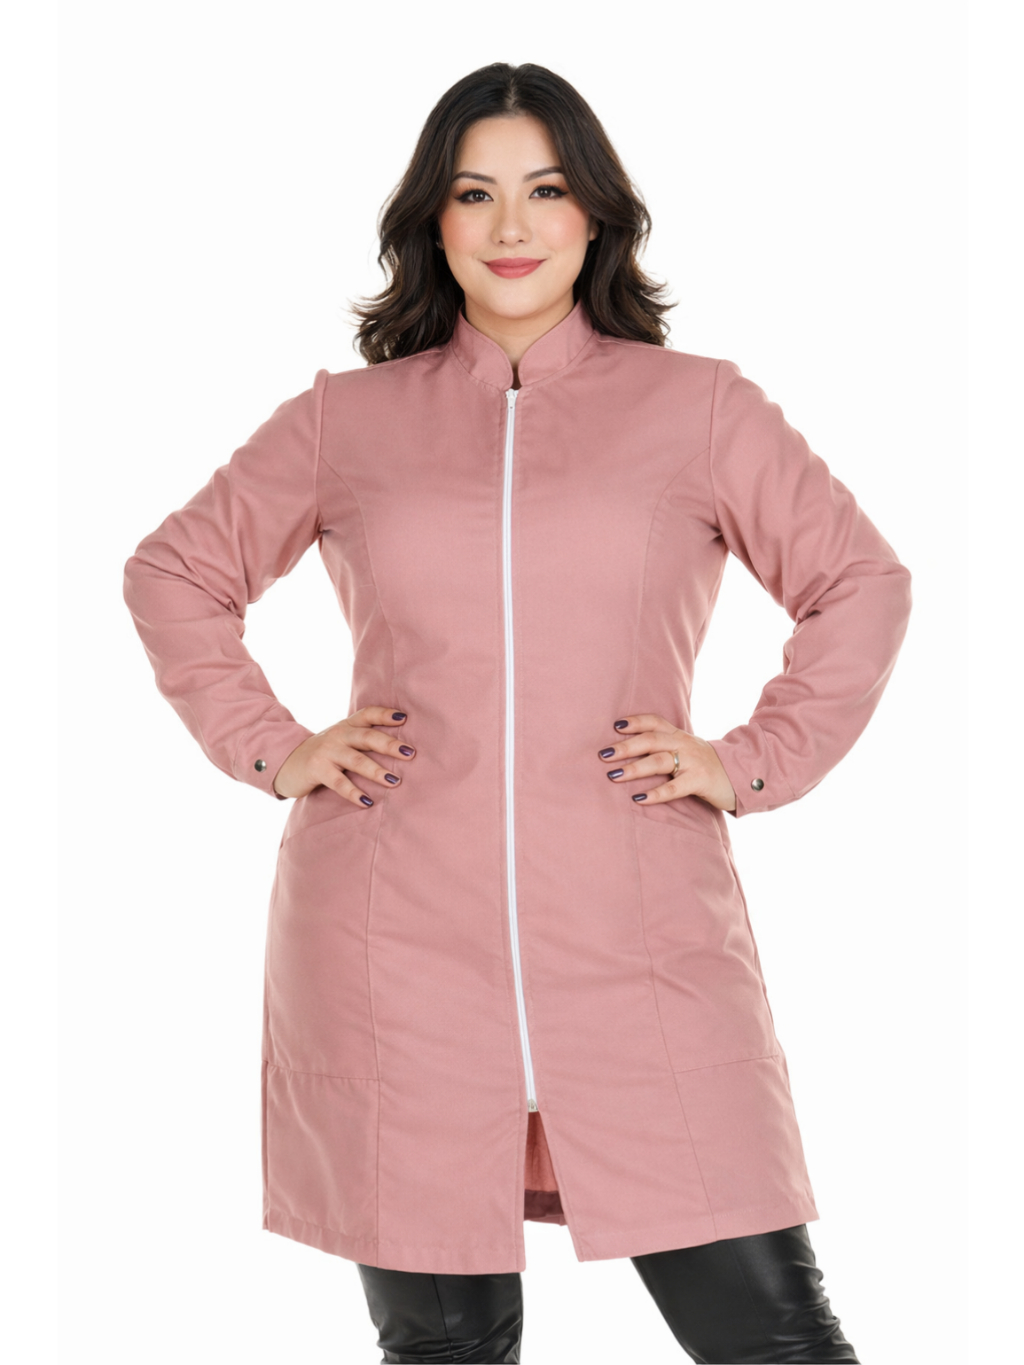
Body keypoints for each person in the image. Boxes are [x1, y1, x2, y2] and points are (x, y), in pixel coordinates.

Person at [123, 62, 912, 1363]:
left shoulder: (701, 407)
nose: (509, 226)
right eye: (473, 193)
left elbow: (860, 583)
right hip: (393, 940)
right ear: (431, 220)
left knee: (776, 1339)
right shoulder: (343, 421)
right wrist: (277, 746)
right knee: (444, 1350)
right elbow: (174, 573)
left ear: (594, 214)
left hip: (640, 931)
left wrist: (752, 759)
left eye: (544, 191)